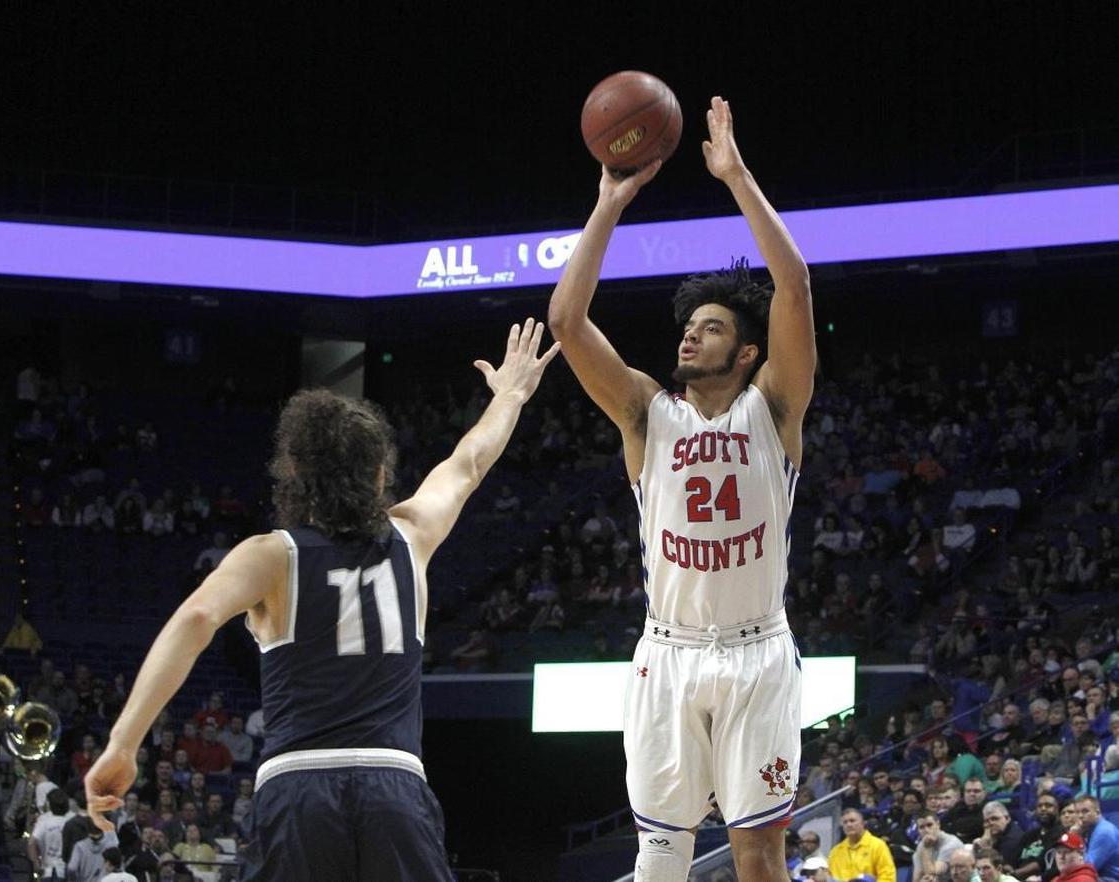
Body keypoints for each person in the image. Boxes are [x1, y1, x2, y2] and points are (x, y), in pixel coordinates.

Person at [83, 319, 559, 881]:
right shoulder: (413, 535)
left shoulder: (269, 555)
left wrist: (122, 744)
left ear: (293, 475)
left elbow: (196, 617)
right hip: (395, 786)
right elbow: (470, 461)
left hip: (297, 787)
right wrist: (510, 396)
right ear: (381, 473)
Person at [547, 95, 815, 882]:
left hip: (758, 653)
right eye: (688, 325)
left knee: (759, 856)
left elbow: (793, 282)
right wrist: (608, 203)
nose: (690, 333)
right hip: (666, 654)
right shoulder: (643, 413)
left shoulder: (773, 409)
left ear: (747, 352)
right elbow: (567, 322)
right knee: (661, 859)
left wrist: (735, 176)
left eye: (713, 327)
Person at [828, 807, 897, 882]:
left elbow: (888, 877)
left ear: (863, 823)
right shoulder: (835, 851)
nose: (849, 825)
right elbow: (831, 878)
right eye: (845, 822)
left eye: (852, 821)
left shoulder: (878, 846)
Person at [29, 788, 76, 880]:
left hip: (48, 869)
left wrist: (36, 863)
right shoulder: (73, 818)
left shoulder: (44, 820)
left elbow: (31, 843)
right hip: (69, 870)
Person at [1074, 795, 1119, 879]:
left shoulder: (1104, 832)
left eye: (1085, 811)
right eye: (1077, 812)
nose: (1080, 816)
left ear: (1097, 812)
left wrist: (1076, 837)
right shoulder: (1089, 828)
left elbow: (1087, 867)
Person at [913, 810, 965, 882]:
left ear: (938, 824)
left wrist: (926, 849)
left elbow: (933, 872)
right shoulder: (921, 845)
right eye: (921, 827)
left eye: (929, 825)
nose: (926, 830)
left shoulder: (951, 843)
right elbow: (916, 879)